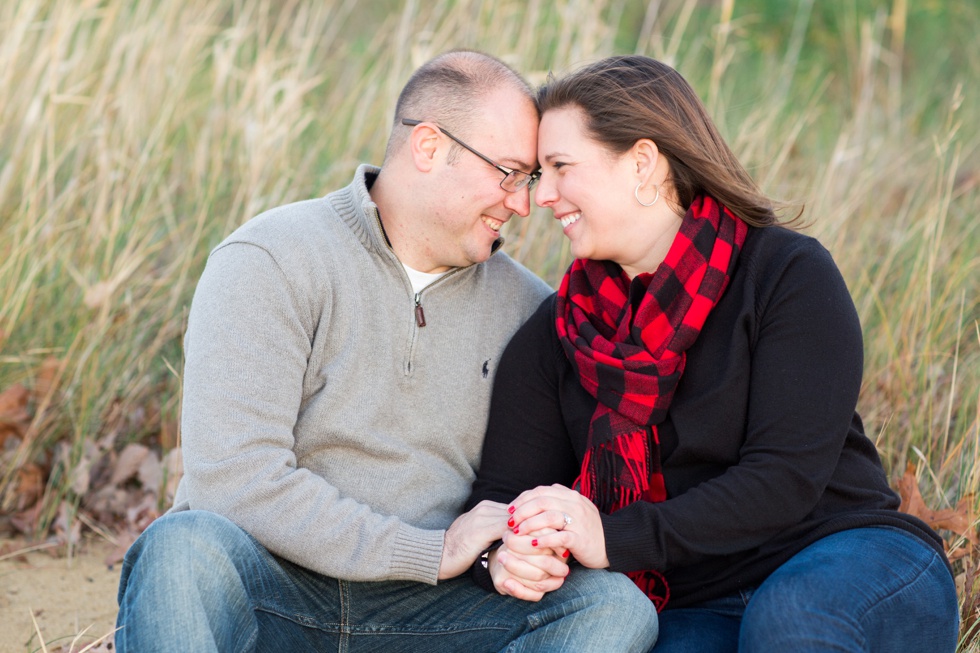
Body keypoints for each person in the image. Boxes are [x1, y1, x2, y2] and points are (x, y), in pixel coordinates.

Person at [114, 50, 659, 653]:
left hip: (434, 610)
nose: (523, 203)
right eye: (508, 172)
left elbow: (530, 489)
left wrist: (514, 552)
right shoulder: (270, 259)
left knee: (612, 609)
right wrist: (433, 550)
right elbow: (235, 481)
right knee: (180, 550)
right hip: (273, 585)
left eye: (529, 179)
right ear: (428, 147)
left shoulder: (531, 309)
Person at [465, 55, 959, 652]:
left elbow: (783, 479)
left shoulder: (783, 275)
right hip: (696, 599)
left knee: (788, 625)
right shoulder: (560, 332)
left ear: (643, 163)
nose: (542, 196)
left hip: (845, 555)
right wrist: (506, 552)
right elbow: (500, 496)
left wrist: (612, 537)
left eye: (560, 167)